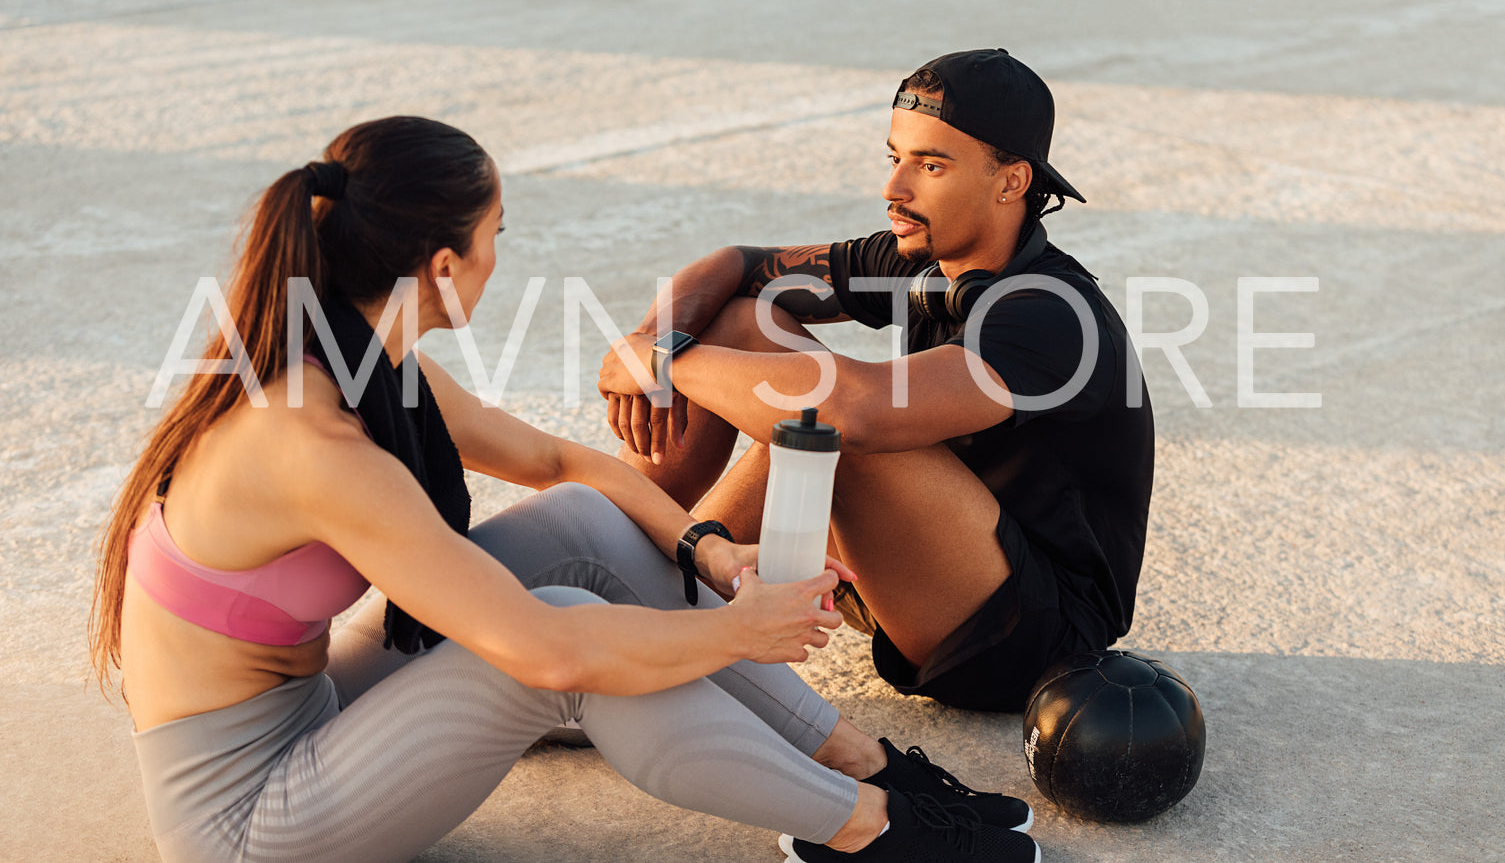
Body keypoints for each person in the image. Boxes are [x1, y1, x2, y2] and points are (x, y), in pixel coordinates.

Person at [89, 115, 1042, 863]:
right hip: (248, 818)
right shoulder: (310, 441)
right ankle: (865, 829)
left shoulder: (359, 360)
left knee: (584, 522)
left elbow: (564, 465)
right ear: (444, 266)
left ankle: (848, 754)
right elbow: (544, 649)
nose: (504, 256)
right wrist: (733, 630)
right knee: (561, 650)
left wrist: (712, 555)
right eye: (498, 233)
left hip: (310, 711)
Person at [598, 49, 1155, 714]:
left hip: (1024, 635)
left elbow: (853, 412)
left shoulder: (1051, 314)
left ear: (1009, 182)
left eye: (930, 164)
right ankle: (612, 553)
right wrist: (650, 339)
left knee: (831, 423)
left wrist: (663, 362)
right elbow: (735, 265)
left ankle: (645, 623)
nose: (895, 186)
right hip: (916, 563)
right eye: (894, 157)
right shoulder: (923, 254)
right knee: (743, 324)